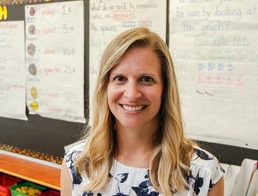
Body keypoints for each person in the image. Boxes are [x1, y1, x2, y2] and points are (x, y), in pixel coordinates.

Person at [61, 27, 224, 196]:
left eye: (146, 79)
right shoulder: (77, 164)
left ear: (165, 90)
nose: (132, 94)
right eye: (120, 78)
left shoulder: (203, 173)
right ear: (105, 88)